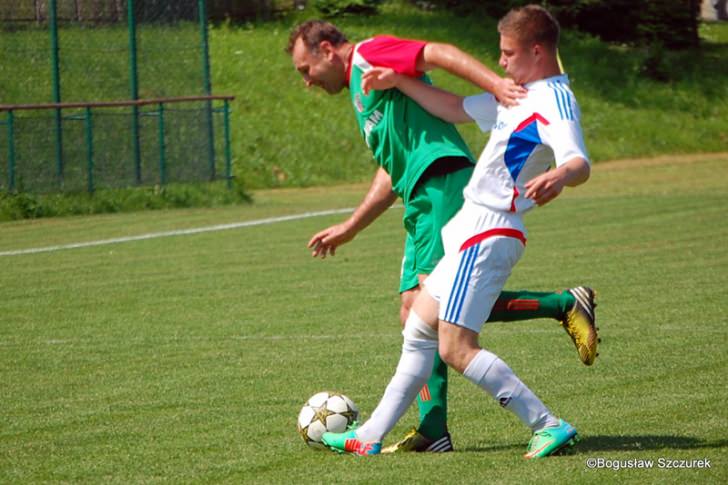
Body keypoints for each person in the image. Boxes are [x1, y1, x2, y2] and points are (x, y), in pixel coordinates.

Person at [286, 16, 597, 453]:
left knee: (455, 346)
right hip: (469, 224)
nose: (500, 62)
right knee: (418, 327)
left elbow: (578, 159)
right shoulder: (518, 98)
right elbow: (454, 108)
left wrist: (561, 175)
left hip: (489, 226)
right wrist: (401, 81)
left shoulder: (555, 100)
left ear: (537, 52)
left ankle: (548, 423)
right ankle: (367, 437)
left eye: (507, 54)